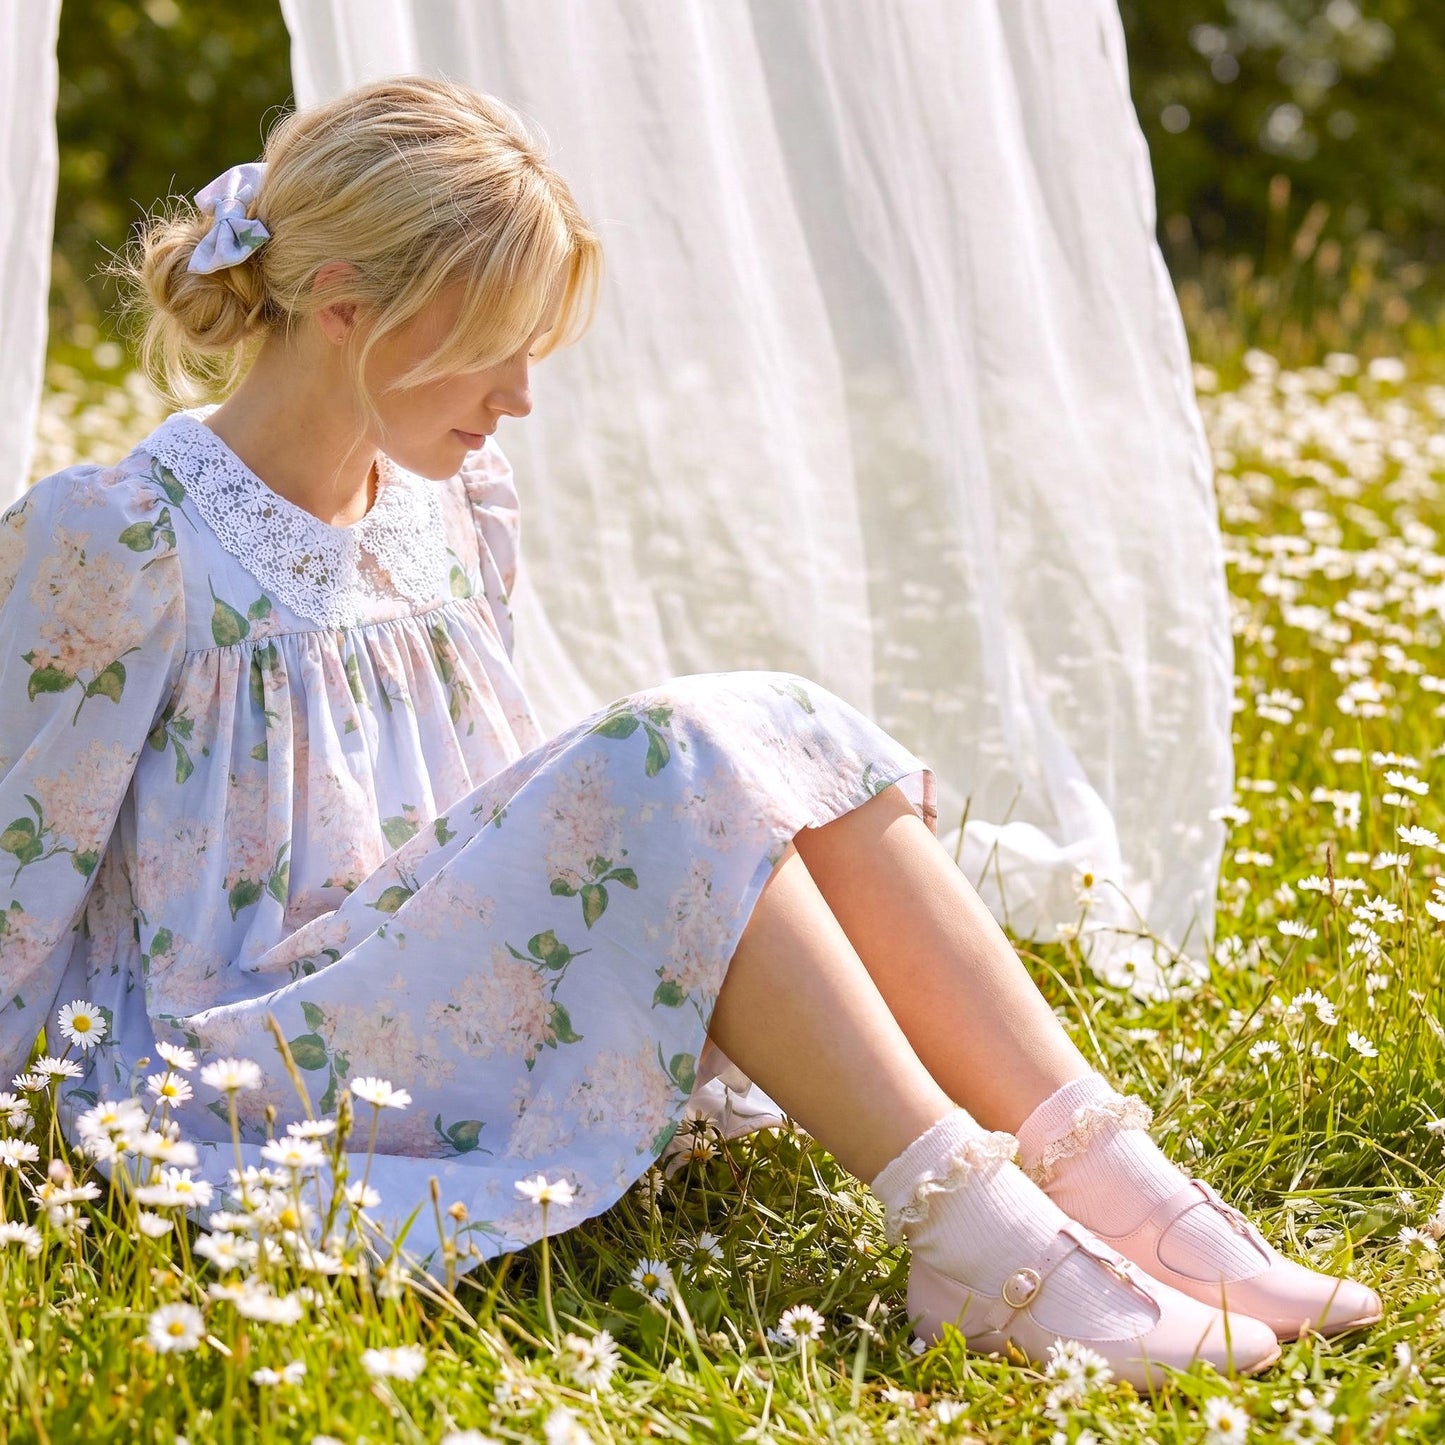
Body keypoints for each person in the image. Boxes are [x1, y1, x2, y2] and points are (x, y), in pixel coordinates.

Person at [0, 76, 1379, 1389]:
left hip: (415, 986)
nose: (520, 399)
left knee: (767, 724)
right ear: (351, 310)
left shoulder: (447, 508)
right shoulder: (120, 541)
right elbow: (19, 858)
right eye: (497, 350)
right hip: (237, 1061)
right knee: (674, 753)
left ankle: (1107, 1182)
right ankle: (970, 1234)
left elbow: (496, 806)